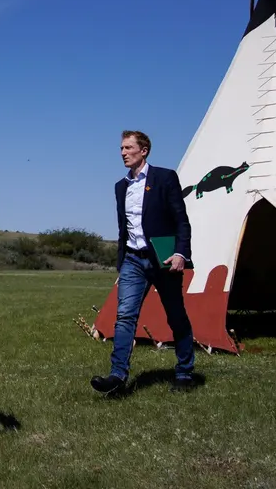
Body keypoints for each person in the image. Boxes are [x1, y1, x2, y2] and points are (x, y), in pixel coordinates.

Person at [90, 130, 196, 395]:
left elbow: (181, 219)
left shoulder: (164, 178)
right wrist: (122, 258)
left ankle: (184, 373)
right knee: (124, 316)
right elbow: (124, 226)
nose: (123, 152)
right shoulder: (120, 186)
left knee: (175, 314)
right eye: (121, 148)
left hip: (163, 259)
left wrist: (181, 253)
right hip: (133, 259)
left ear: (144, 150)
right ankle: (117, 376)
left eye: (128, 148)